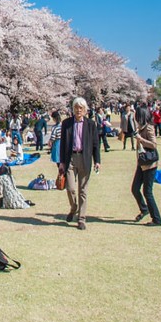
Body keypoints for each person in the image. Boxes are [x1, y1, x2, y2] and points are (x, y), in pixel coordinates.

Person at [59, 97, 100, 230]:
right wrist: (61, 162)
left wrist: (97, 161)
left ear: (85, 110)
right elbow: (62, 144)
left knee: (83, 190)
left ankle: (81, 219)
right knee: (70, 188)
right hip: (70, 158)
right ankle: (73, 207)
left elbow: (95, 144)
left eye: (81, 108)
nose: (78, 110)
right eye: (76, 107)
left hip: (85, 158)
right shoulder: (66, 123)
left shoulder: (91, 124)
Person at [132, 107, 161, 226]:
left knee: (147, 192)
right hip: (142, 163)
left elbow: (154, 144)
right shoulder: (140, 128)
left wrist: (141, 139)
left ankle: (156, 219)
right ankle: (144, 209)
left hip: (150, 164)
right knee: (135, 188)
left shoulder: (149, 128)